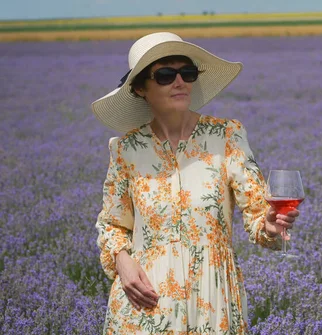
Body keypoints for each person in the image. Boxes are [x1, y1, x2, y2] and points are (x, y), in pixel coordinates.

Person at [91, 32, 299, 334]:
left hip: (213, 300)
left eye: (187, 72)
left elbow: (258, 216)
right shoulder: (126, 150)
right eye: (165, 75)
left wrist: (270, 225)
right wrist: (122, 261)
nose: (180, 82)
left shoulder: (227, 136)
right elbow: (111, 224)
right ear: (140, 88)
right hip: (144, 302)